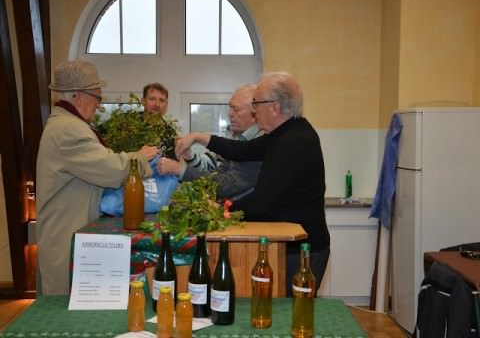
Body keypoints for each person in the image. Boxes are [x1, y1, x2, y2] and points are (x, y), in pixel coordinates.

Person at [175, 72, 330, 294]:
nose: (254, 110)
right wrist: (200, 137)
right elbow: (243, 151)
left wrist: (223, 210)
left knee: (288, 317)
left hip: (303, 250)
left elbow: (261, 204)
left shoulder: (294, 141)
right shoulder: (285, 133)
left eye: (256, 103)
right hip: (292, 247)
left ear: (274, 106)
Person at [36, 60, 160, 295]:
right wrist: (141, 157)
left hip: (70, 230)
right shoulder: (69, 129)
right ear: (77, 96)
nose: (99, 106)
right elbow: (111, 170)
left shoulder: (66, 124)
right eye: (97, 97)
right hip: (66, 238)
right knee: (65, 315)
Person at [157, 84, 263, 200]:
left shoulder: (260, 143)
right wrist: (189, 158)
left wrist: (179, 169)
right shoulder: (238, 139)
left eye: (236, 109)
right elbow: (217, 174)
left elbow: (226, 186)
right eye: (230, 108)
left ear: (254, 113)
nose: (229, 113)